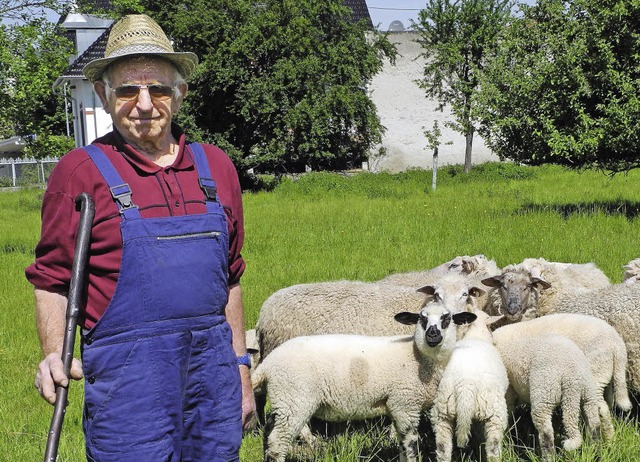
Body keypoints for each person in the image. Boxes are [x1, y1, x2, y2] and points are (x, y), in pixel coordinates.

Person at [26, 14, 256, 461]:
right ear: (104, 96)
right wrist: (54, 353)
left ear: (180, 94)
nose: (145, 104)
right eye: (128, 90)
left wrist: (241, 369)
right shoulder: (79, 172)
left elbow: (230, 278)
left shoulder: (217, 168)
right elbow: (52, 279)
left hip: (213, 383)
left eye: (159, 89)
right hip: (129, 389)